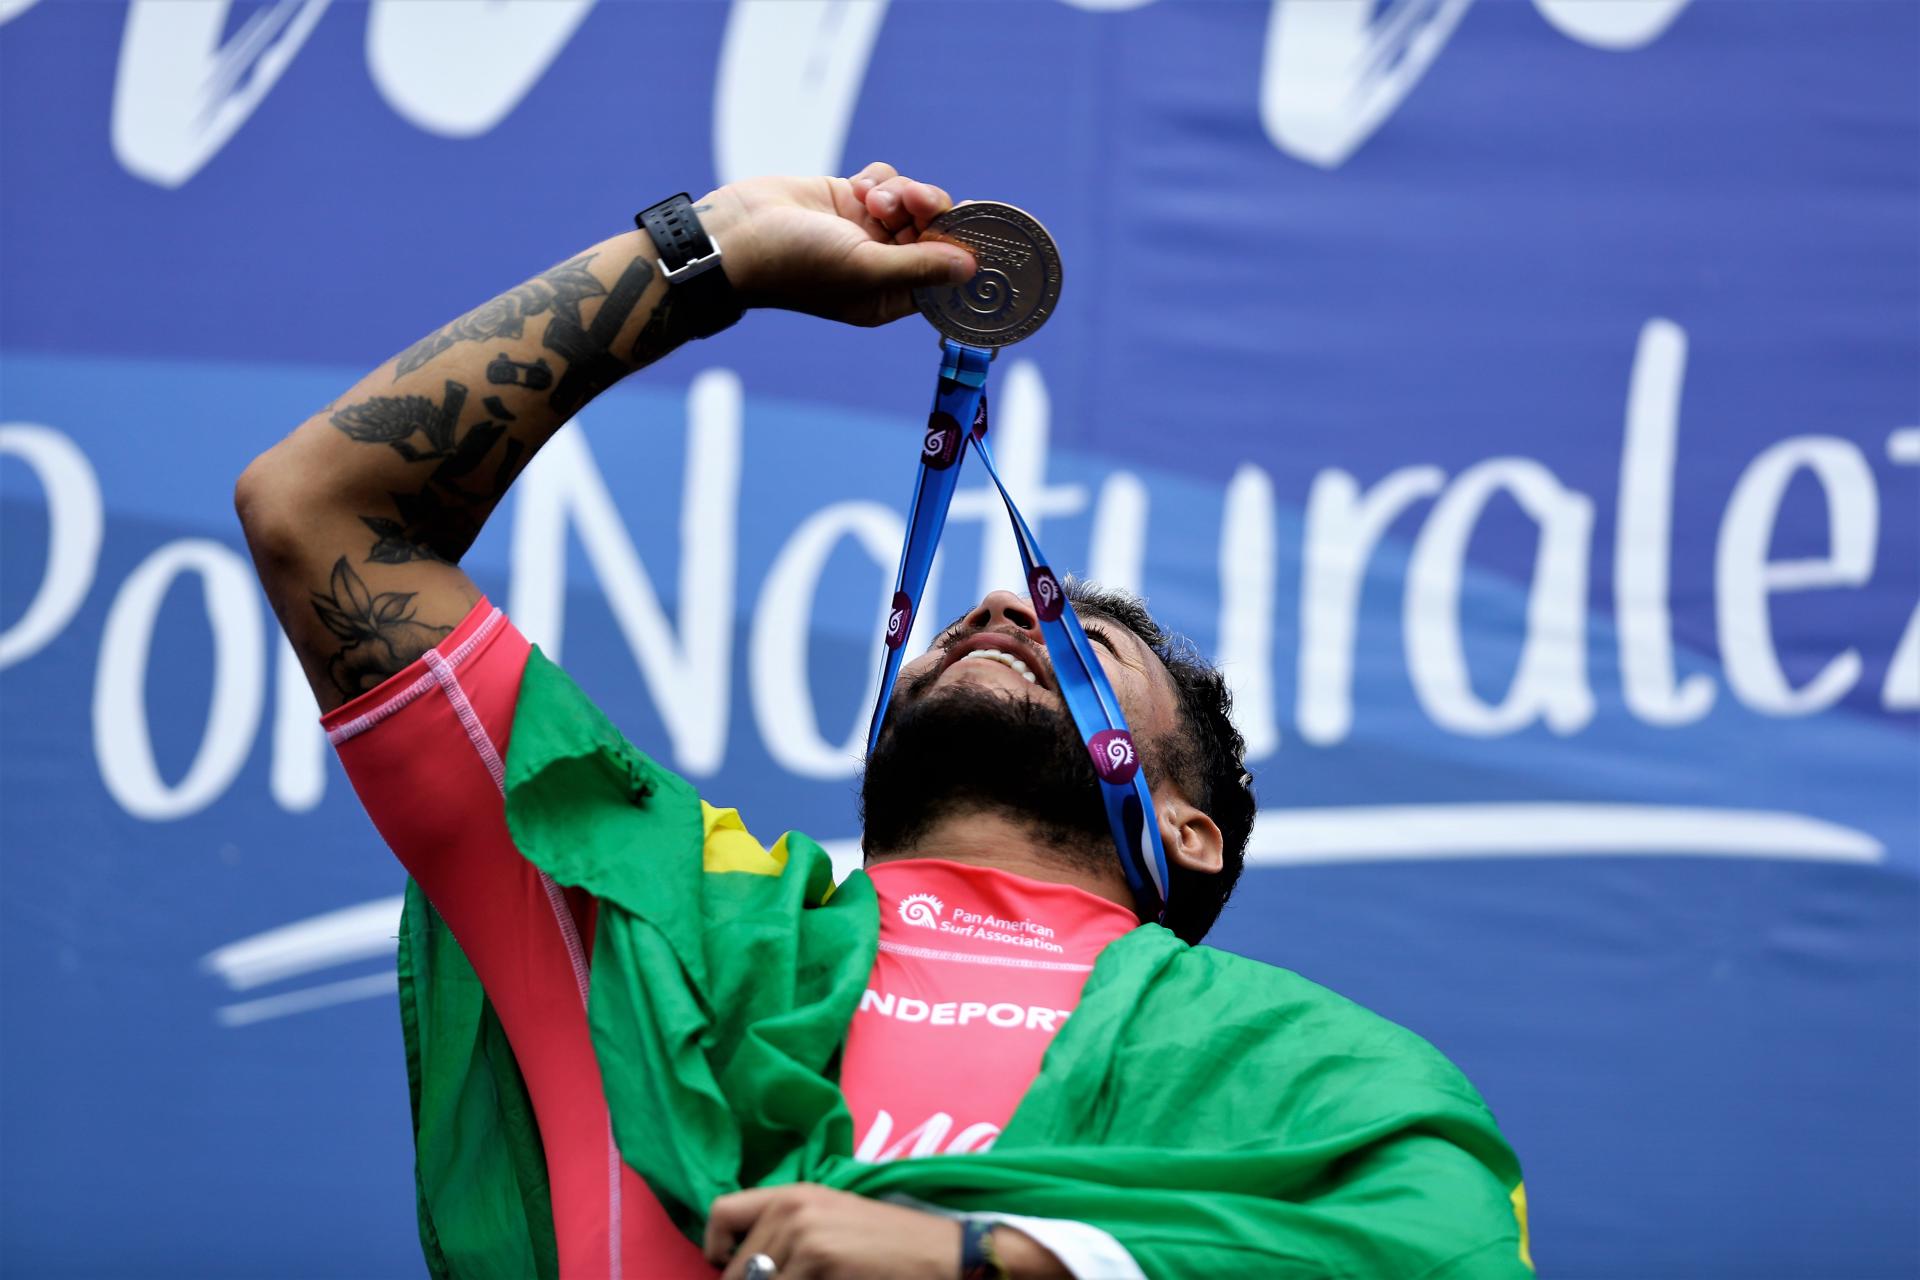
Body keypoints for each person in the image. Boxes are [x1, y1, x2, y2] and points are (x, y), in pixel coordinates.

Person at [237, 163, 1532, 1280]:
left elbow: (1442, 1248)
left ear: (1191, 830)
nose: (994, 613)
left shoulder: (1320, 1077)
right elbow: (324, 513)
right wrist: (715, 250)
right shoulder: (640, 909)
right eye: (994, 614)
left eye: (1090, 643)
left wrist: (993, 1257)